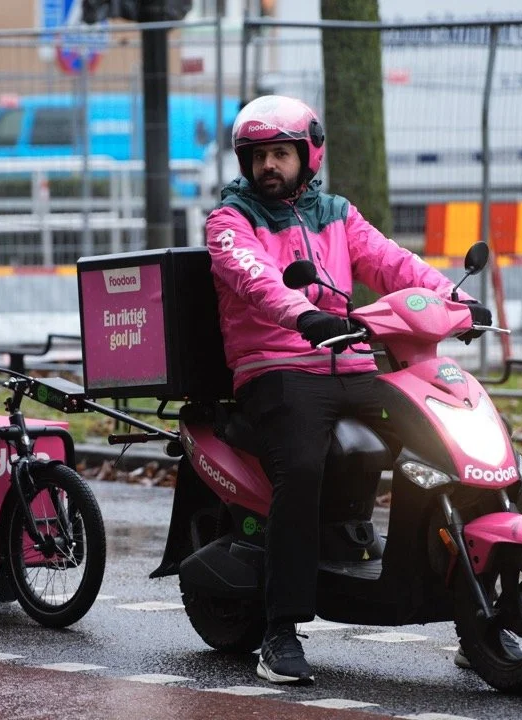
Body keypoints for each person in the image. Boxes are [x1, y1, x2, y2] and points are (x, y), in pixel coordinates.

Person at [203, 95, 491, 685]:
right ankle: (279, 632)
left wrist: (453, 299)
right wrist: (301, 315)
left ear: (308, 155)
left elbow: (392, 263)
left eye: (281, 154)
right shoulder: (229, 220)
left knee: (449, 441)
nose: (268, 167)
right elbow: (254, 278)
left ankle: (475, 612)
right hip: (276, 368)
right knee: (302, 468)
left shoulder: (336, 212)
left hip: (353, 363)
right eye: (258, 157)